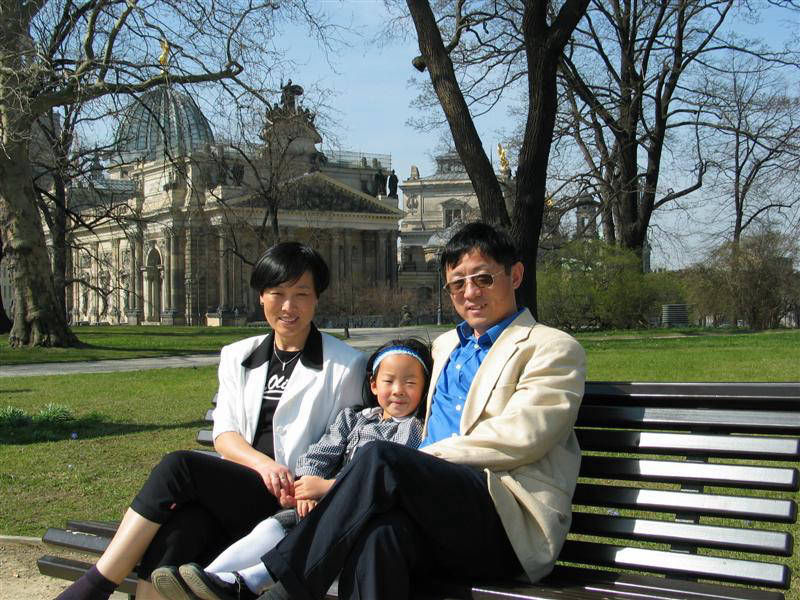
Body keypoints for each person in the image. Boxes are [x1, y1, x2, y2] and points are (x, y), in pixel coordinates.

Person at [259, 222, 587, 600]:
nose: (470, 292)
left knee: (381, 458)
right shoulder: (444, 347)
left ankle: (281, 590)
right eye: (457, 284)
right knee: (379, 537)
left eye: (483, 279)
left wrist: (420, 460)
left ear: (514, 276)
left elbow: (523, 437)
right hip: (432, 514)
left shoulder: (551, 348)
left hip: (504, 520)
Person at [56, 242, 366, 600]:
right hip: (241, 489)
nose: (288, 306)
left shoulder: (346, 365)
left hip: (291, 503)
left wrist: (302, 483)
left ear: (316, 299)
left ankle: (94, 586)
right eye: (277, 293)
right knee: (178, 531)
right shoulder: (238, 355)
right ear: (261, 296)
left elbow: (346, 444)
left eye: (301, 294)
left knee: (178, 466)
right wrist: (265, 466)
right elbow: (225, 434)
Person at [152, 338, 434, 600]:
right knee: (275, 525)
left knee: (296, 530)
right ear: (373, 385)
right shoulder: (354, 418)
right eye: (389, 381)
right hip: (320, 506)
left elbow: (387, 478)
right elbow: (321, 452)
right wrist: (307, 483)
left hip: (359, 517)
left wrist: (326, 488)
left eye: (410, 383)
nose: (398, 390)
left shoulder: (414, 429)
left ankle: (241, 582)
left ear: (424, 389)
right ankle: (209, 578)